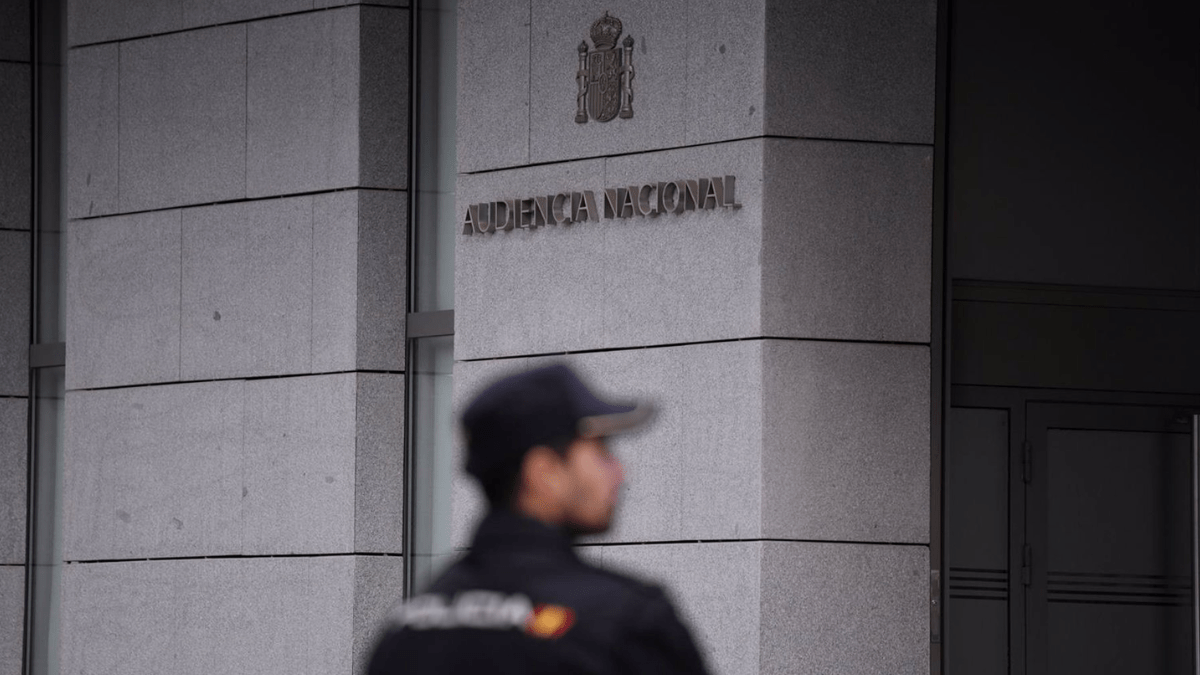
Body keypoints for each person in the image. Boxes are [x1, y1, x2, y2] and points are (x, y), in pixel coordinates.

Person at [368, 363, 710, 674]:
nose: (621, 473)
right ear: (544, 473)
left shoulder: (406, 628)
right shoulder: (626, 622)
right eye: (602, 451)